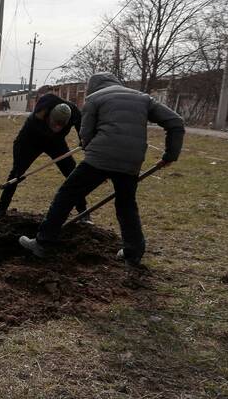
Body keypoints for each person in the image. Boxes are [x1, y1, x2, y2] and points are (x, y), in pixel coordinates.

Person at [18, 73, 184, 266]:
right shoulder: (143, 98)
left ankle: (42, 243)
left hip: (100, 157)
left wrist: (96, 161)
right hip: (131, 160)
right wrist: (170, 155)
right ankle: (133, 253)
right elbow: (176, 122)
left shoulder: (94, 98)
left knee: (67, 194)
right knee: (126, 205)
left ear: (92, 87)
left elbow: (86, 135)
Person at [0, 94, 87, 221]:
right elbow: (20, 143)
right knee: (16, 174)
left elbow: (82, 130)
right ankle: (1, 210)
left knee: (72, 173)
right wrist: (19, 164)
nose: (57, 128)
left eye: (61, 126)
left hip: (55, 143)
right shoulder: (41, 110)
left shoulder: (74, 113)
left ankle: (83, 212)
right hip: (30, 141)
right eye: (54, 124)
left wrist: (84, 140)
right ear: (47, 116)